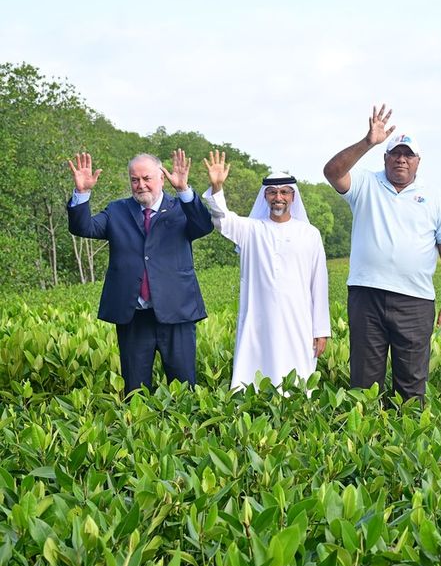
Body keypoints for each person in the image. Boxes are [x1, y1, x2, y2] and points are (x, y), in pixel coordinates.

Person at [322, 104, 441, 402]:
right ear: (385, 157)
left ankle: (405, 443)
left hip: (415, 301)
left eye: (408, 155)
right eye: (395, 153)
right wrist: (367, 142)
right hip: (367, 295)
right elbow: (332, 172)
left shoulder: (434, 197)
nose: (401, 159)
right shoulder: (365, 183)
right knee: (364, 383)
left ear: (418, 162)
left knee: (411, 386)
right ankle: (366, 443)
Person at [67, 150, 214, 391]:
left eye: (146, 178)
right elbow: (84, 227)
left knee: (184, 390)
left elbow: (203, 226)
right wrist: (82, 193)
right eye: (134, 180)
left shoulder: (181, 208)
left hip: (177, 313)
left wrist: (185, 190)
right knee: (135, 391)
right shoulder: (117, 210)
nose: (140, 185)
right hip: (133, 315)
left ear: (162, 178)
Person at [202, 151, 331, 390]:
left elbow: (319, 284)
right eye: (272, 192)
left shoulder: (309, 233)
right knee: (253, 378)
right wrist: (217, 187)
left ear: (293, 196)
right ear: (265, 196)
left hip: (298, 323)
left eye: (284, 192)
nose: (278, 197)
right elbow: (221, 219)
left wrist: (321, 330)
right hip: (258, 322)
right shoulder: (250, 230)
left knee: (297, 384)